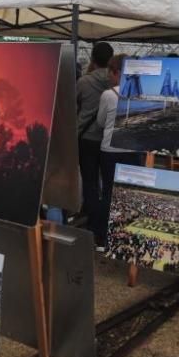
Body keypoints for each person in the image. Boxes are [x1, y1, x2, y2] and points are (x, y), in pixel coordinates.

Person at [94, 54, 144, 253]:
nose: (109, 76)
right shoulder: (140, 94)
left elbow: (100, 122)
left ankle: (103, 238)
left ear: (116, 71)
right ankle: (129, 236)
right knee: (131, 194)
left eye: (111, 72)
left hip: (110, 150)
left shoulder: (108, 94)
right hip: (133, 150)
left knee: (108, 193)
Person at [76, 42, 114, 229]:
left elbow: (75, 105)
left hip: (86, 138)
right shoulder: (114, 82)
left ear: (92, 58)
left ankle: (92, 220)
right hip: (108, 139)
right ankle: (103, 219)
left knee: (89, 181)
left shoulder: (83, 81)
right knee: (106, 181)